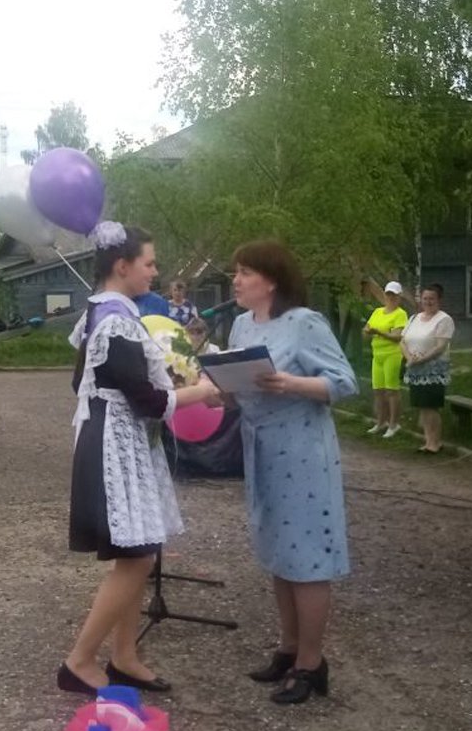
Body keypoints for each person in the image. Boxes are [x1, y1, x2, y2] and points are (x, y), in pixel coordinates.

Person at [58, 222, 221, 697]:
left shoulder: (102, 311)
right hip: (114, 442)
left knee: (136, 553)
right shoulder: (116, 321)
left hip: (117, 438)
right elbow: (148, 401)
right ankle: (79, 662)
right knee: (138, 556)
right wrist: (201, 392)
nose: (154, 271)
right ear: (122, 266)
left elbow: (85, 380)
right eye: (149, 263)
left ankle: (124, 656)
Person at [227, 240, 358, 705]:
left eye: (245, 272)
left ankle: (311, 662)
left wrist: (291, 383)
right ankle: (288, 648)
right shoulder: (242, 325)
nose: (236, 281)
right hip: (261, 448)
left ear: (271, 280)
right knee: (279, 552)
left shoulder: (305, 323)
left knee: (307, 557)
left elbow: (344, 383)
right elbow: (237, 383)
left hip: (302, 451)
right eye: (235, 272)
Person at [400, 284, 454, 454]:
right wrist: (409, 358)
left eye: (432, 298)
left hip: (433, 370)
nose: (428, 302)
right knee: (421, 406)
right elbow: (402, 341)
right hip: (415, 369)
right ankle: (427, 441)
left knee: (431, 406)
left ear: (439, 300)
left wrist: (422, 359)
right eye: (425, 298)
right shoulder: (414, 318)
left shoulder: (444, 319)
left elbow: (440, 346)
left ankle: (435, 443)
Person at [364, 281, 409, 439]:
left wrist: (378, 332)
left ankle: (393, 424)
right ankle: (380, 422)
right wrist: (367, 331)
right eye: (388, 294)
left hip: (392, 354)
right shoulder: (377, 311)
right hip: (377, 354)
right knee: (378, 390)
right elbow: (366, 328)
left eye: (394, 295)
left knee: (391, 390)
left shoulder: (400, 314)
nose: (391, 298)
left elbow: (397, 336)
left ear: (399, 297)